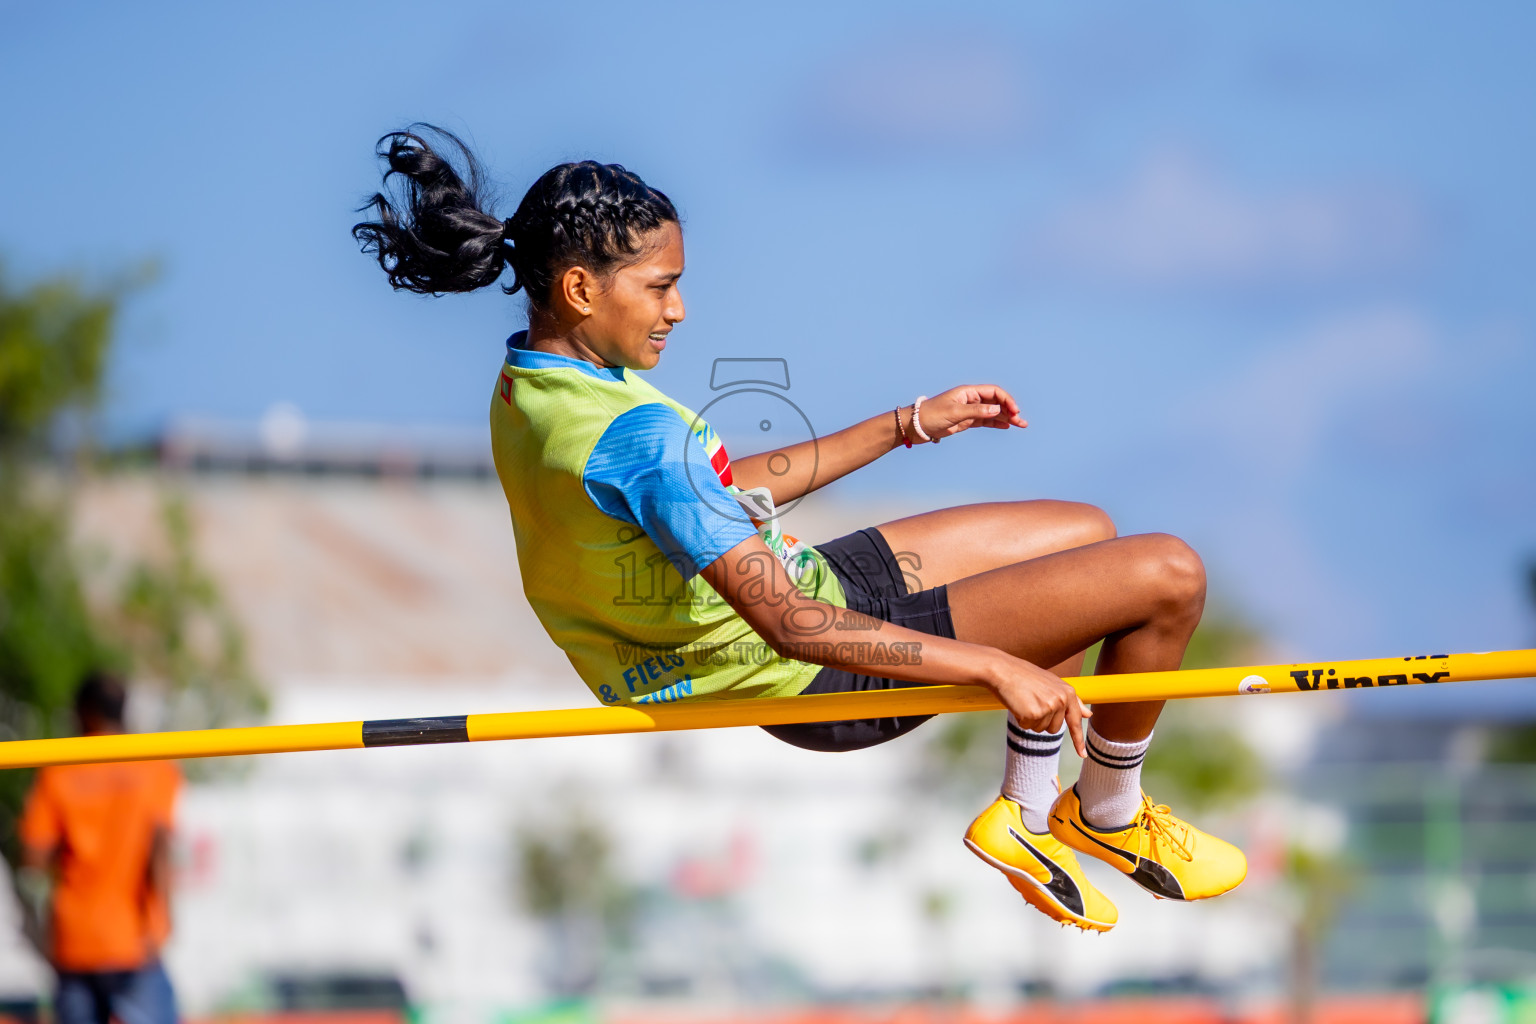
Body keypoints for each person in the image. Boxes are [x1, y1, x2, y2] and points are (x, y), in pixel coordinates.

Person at [354, 126, 1246, 932]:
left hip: (811, 599)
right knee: (1167, 573)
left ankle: (1037, 805)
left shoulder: (537, 391)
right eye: (662, 287)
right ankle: (1101, 814)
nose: (679, 310)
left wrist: (908, 423)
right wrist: (994, 668)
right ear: (582, 288)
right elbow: (791, 623)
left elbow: (716, 495)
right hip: (820, 670)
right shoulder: (637, 436)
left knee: (1085, 531)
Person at [17, 673, 180, 1024]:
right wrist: (163, 920)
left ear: (85, 713)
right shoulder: (153, 765)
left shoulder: (59, 769)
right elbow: (159, 850)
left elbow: (33, 859)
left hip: (74, 939)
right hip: (133, 940)